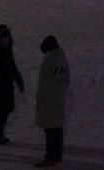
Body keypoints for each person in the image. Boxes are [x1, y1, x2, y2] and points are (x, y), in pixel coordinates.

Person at [34, 35, 70, 167]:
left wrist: (39, 100)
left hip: (49, 100)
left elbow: (42, 85)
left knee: (49, 130)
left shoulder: (47, 62)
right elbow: (67, 80)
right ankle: (58, 155)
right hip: (59, 98)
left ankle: (50, 157)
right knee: (58, 128)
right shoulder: (63, 58)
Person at [0, 24, 24, 145]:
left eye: (7, 37)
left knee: (6, 110)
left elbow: (12, 64)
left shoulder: (8, 48)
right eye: (4, 37)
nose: (6, 39)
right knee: (2, 110)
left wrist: (18, 80)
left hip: (7, 84)